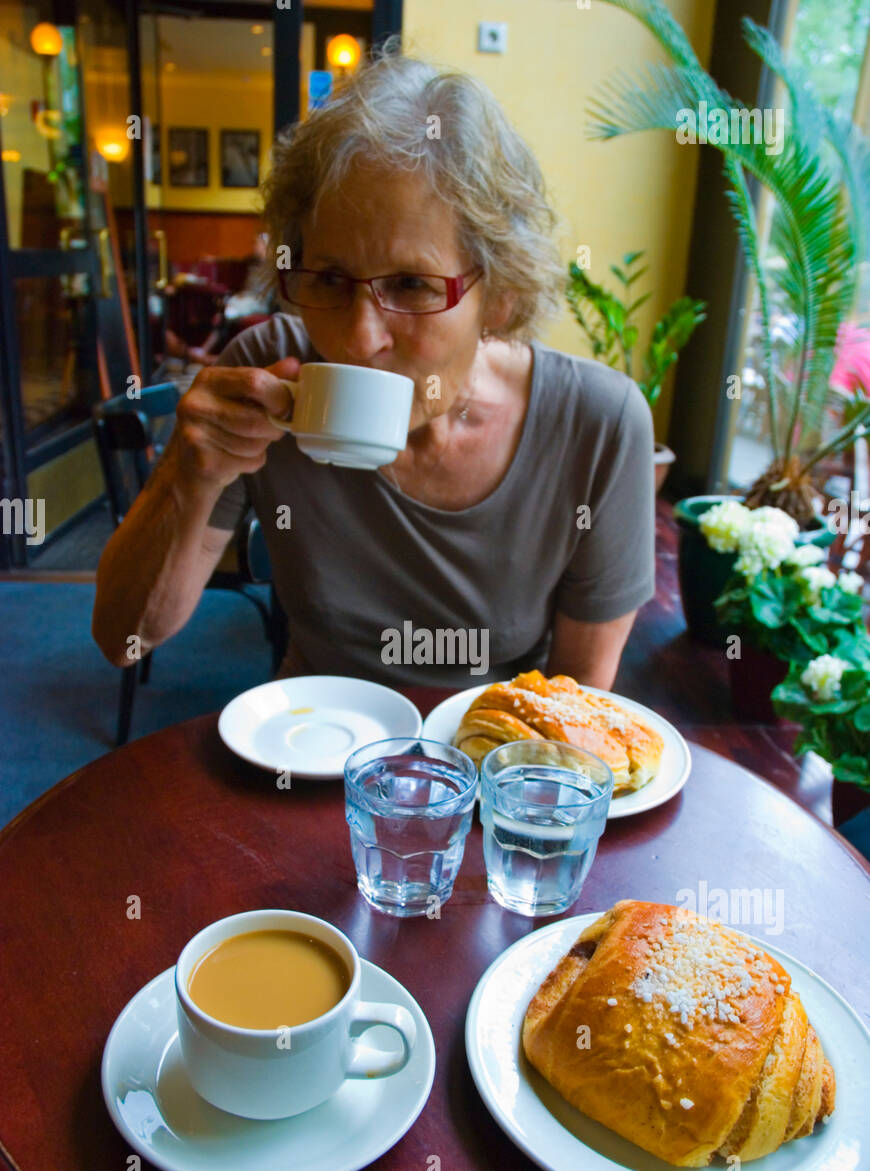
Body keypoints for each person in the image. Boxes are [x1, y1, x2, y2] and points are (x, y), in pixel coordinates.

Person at [93, 43, 655, 690]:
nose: (358, 339)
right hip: (313, 750)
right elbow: (123, 638)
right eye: (329, 278)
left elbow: (578, 702)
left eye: (412, 285)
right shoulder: (265, 371)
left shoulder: (598, 425)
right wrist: (188, 478)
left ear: (501, 294)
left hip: (486, 758)